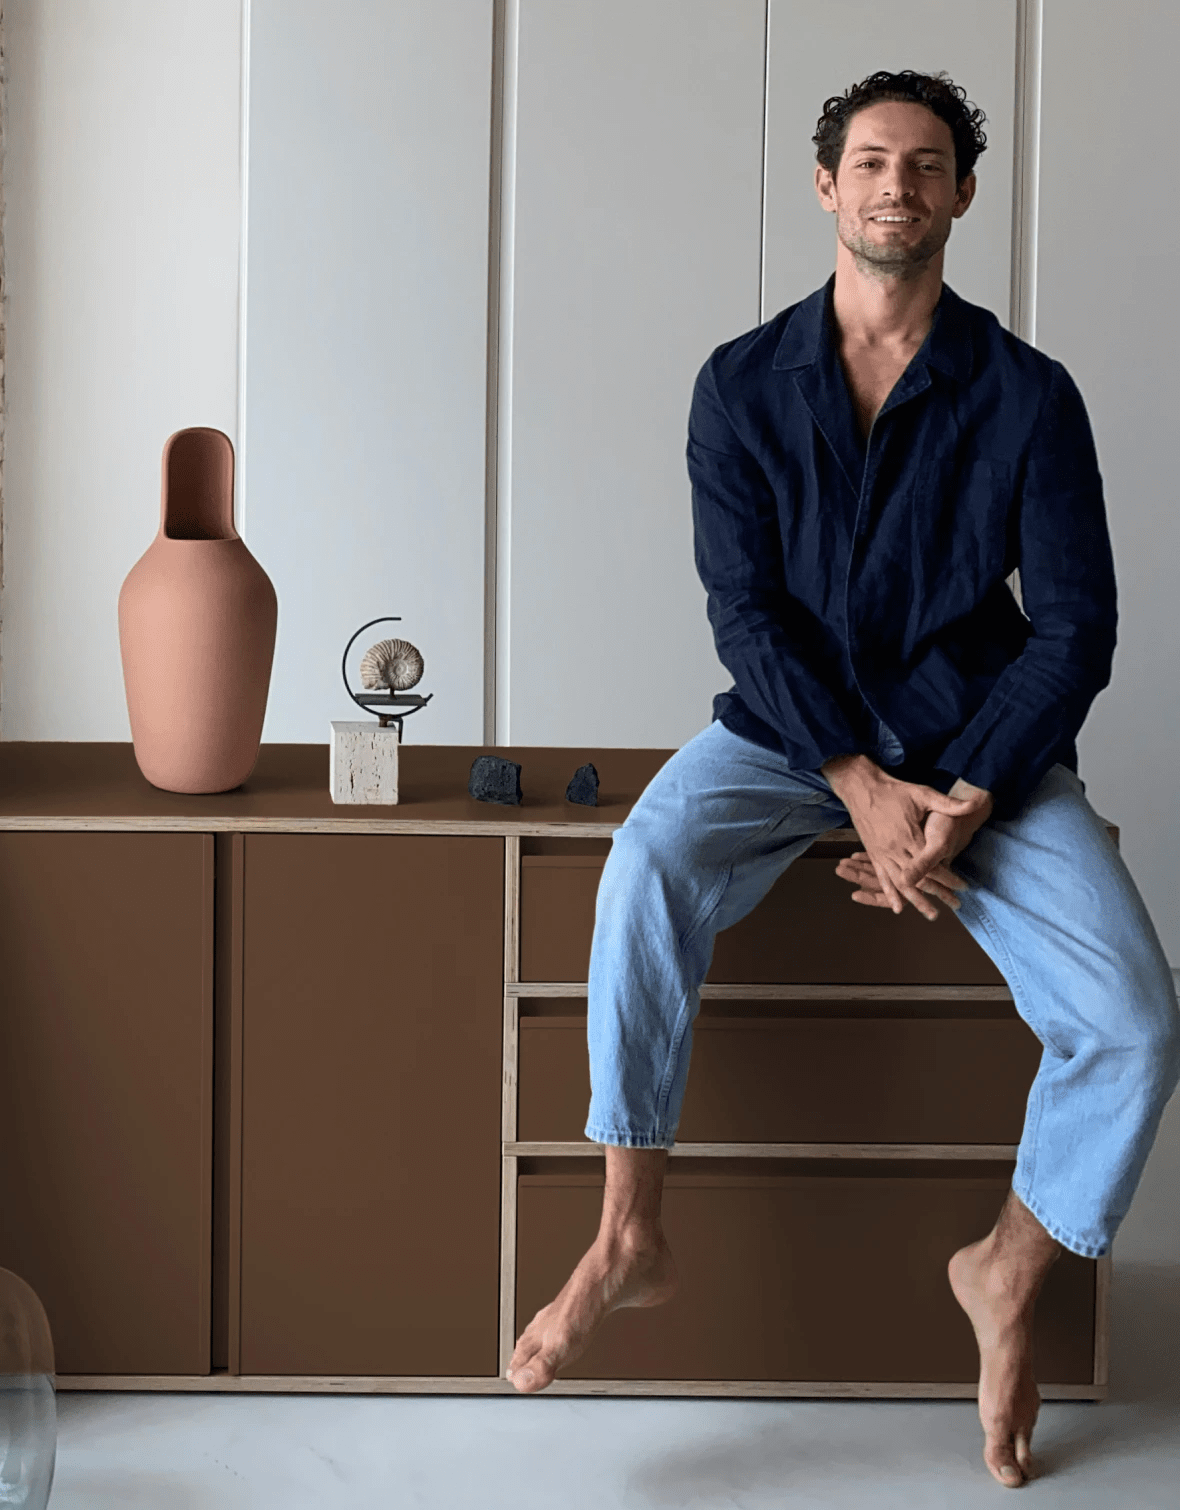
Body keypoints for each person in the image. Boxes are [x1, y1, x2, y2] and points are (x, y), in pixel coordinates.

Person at [504, 70, 1179, 1490]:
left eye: (926, 165)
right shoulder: (739, 385)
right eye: (870, 161)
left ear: (962, 196)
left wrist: (970, 793)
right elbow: (745, 612)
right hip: (789, 735)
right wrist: (860, 783)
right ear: (826, 186)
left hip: (982, 752)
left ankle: (1009, 1268)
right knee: (646, 864)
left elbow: (1077, 627)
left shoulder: (1030, 398)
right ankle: (628, 1228)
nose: (896, 187)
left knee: (1135, 1019)